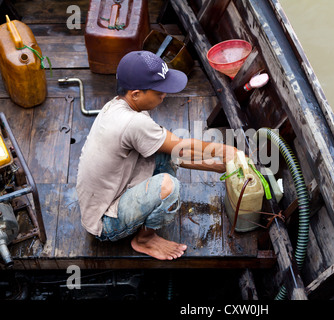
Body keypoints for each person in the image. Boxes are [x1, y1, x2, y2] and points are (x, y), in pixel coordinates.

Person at [76, 51, 237, 260]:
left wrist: (217, 166)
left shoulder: (119, 105)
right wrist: (227, 151)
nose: (164, 95)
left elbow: (171, 151)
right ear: (135, 94)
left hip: (105, 195)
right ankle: (144, 239)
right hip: (104, 222)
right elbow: (182, 148)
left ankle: (151, 211)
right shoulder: (134, 123)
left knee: (162, 150)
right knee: (170, 187)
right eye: (159, 91)